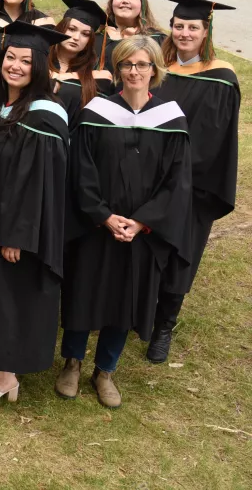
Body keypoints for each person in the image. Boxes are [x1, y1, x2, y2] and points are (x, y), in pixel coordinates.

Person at [58, 36, 192, 408]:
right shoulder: (96, 113)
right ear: (117, 70)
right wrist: (102, 215)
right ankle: (72, 361)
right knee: (84, 290)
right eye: (127, 65)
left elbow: (176, 183)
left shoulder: (171, 120)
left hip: (141, 234)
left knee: (126, 299)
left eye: (142, 65)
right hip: (95, 226)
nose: (134, 71)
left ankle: (105, 370)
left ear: (155, 69)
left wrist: (141, 222)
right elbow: (80, 171)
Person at [0, 22, 70, 405]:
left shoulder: (44, 116)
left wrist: (18, 235)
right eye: (11, 57)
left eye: (26, 61)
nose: (16, 66)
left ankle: (6, 376)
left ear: (39, 67)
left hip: (17, 228)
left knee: (8, 297)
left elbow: (39, 184)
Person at [147, 0, 239, 363]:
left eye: (193, 28)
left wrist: (178, 177)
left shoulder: (221, 78)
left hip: (191, 185)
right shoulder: (157, 68)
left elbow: (215, 140)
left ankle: (164, 327)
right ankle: (138, 314)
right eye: (179, 25)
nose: (184, 33)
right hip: (148, 180)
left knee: (179, 253)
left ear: (206, 32)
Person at [49, 0, 115, 123]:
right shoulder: (41, 57)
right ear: (61, 28)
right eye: (72, 29)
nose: (76, 37)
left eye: (85, 34)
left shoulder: (95, 73)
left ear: (90, 41)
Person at [97, 0, 166, 66]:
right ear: (112, 1)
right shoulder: (97, 34)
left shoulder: (157, 40)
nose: (125, 1)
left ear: (143, 4)